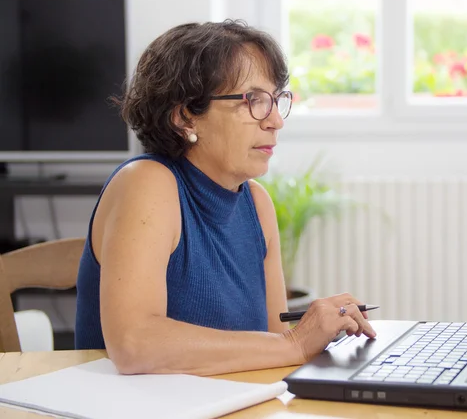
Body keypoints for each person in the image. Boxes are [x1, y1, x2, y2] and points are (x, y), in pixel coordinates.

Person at [75, 19, 376, 376]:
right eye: (254, 101)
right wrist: (295, 341)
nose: (276, 120)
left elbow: (273, 347)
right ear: (186, 116)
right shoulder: (146, 183)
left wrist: (311, 335)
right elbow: (134, 344)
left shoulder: (257, 204)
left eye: (277, 100)